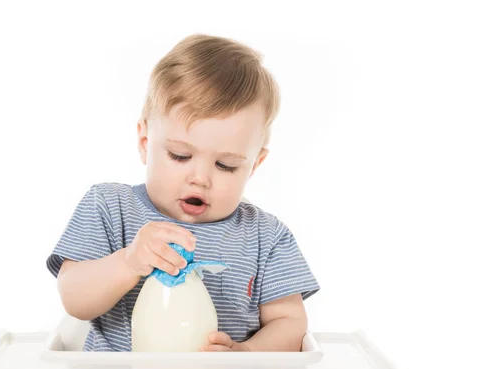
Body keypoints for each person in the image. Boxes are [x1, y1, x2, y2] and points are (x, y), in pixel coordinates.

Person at [46, 34, 320, 352]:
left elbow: (290, 323)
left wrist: (245, 354)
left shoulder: (265, 236)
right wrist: (128, 262)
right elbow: (74, 297)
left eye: (226, 165)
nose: (200, 178)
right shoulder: (110, 207)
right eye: (180, 156)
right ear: (146, 143)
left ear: (254, 164)